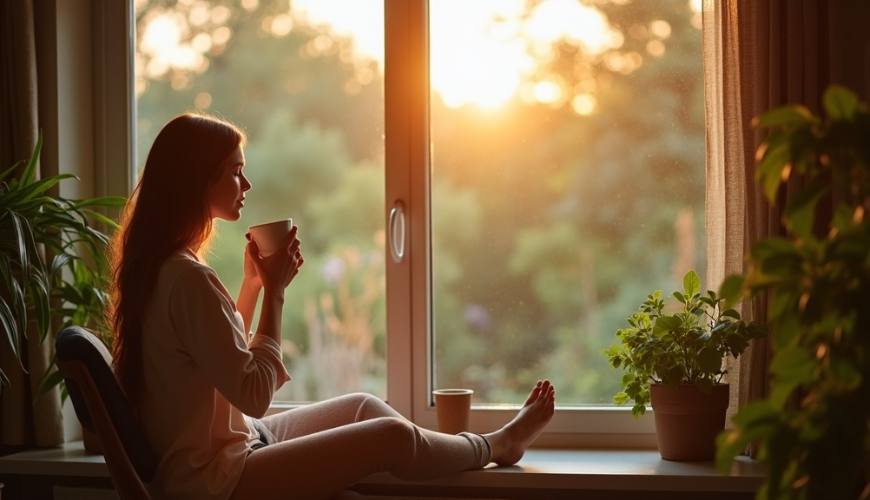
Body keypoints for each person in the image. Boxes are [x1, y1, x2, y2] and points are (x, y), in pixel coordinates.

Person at [108, 112, 556, 500]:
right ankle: (497, 444)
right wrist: (277, 293)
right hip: (216, 481)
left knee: (362, 405)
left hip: (235, 447)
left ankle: (447, 448)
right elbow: (253, 394)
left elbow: (215, 361)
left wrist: (252, 287)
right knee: (390, 436)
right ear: (196, 181)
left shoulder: (166, 268)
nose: (246, 184)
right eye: (234, 171)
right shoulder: (187, 276)